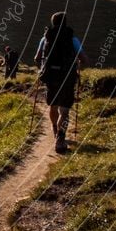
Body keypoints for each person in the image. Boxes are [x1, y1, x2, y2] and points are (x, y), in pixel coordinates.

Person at [33, 12, 90, 153]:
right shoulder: (72, 39)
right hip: (67, 77)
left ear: (53, 22)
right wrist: (76, 65)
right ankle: (60, 139)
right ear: (65, 22)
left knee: (53, 105)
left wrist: (43, 68)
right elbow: (84, 59)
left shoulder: (45, 39)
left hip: (51, 77)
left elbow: (36, 58)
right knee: (64, 110)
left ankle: (54, 128)